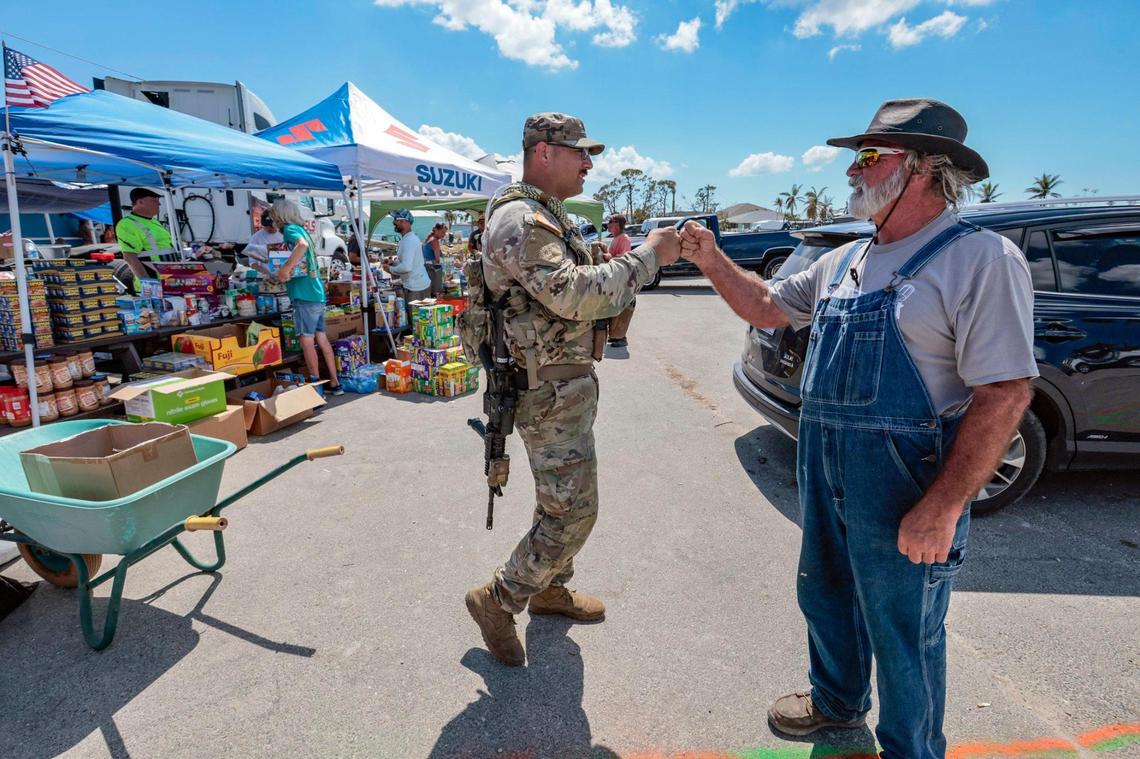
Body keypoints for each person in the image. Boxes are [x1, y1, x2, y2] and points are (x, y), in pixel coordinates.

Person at [679, 99, 1035, 757]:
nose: (853, 168)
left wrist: (944, 505)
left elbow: (1006, 391)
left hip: (906, 486)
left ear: (923, 168)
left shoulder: (979, 259)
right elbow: (763, 307)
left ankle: (911, 748)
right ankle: (837, 704)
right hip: (826, 471)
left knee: (905, 631)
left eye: (870, 156)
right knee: (827, 596)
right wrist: (708, 256)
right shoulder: (844, 260)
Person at [464, 112, 681, 667]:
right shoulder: (521, 220)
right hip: (546, 395)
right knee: (572, 514)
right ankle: (500, 598)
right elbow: (575, 296)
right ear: (543, 153)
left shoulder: (542, 216)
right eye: (579, 153)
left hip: (561, 389)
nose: (588, 163)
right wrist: (649, 256)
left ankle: (552, 590)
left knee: (556, 501)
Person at [266, 199, 343, 396]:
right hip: (315, 292)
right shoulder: (301, 229)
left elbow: (301, 247)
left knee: (306, 341)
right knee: (322, 340)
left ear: (278, 216)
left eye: (273, 216)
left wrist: (286, 267)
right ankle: (335, 383)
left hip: (304, 294)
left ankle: (316, 388)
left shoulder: (291, 231)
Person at [115, 187, 212, 282]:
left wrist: (193, 255)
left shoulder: (154, 221)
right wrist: (148, 283)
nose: (159, 203)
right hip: (154, 284)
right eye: (154, 200)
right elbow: (130, 257)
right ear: (140, 202)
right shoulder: (127, 224)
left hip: (171, 281)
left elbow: (165, 249)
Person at [386, 209, 431, 320]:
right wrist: (394, 263)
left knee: (418, 323)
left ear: (405, 222)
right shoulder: (409, 239)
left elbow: (406, 267)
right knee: (423, 322)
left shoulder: (409, 241)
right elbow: (411, 263)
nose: (394, 223)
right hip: (418, 284)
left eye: (397, 220)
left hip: (416, 287)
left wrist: (390, 269)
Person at [603, 214, 635, 348]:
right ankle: (616, 335)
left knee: (622, 311)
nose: (608, 224)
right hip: (616, 281)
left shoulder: (624, 239)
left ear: (617, 224)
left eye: (610, 222)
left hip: (623, 282)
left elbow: (623, 259)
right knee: (615, 309)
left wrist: (609, 257)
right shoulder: (616, 239)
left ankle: (621, 337)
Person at [423, 222, 448, 295]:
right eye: (443, 232)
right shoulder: (435, 241)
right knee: (436, 293)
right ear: (436, 230)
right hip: (433, 269)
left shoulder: (429, 239)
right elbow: (438, 259)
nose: (444, 234)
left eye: (445, 233)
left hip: (427, 268)